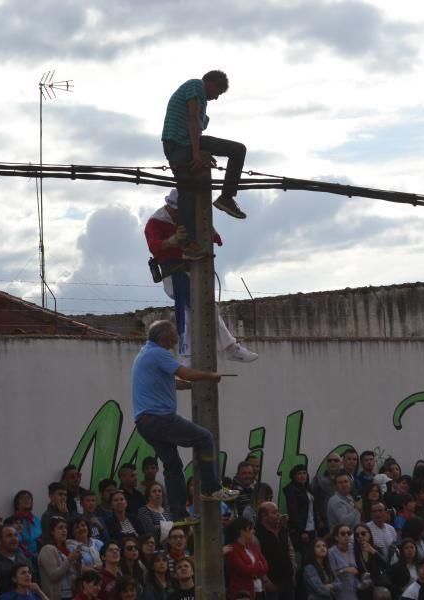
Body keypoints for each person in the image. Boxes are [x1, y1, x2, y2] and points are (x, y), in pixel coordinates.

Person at [130, 320, 239, 522]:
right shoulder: (159, 353)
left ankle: (180, 515)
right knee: (205, 438)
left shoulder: (146, 353)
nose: (176, 338)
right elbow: (185, 373)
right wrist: (209, 375)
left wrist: (192, 386)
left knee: (172, 466)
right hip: (159, 418)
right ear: (163, 337)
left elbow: (174, 382)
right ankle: (211, 488)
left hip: (145, 423)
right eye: (173, 334)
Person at [143, 192, 258, 362]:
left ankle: (191, 355)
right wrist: (172, 240)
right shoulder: (156, 222)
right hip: (174, 273)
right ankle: (226, 348)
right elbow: (154, 247)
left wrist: (212, 236)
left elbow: (209, 232)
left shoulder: (189, 216)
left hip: (193, 271)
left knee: (198, 310)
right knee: (199, 308)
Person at [161, 70, 248, 251]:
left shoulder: (202, 104)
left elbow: (197, 129)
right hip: (178, 145)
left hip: (182, 145)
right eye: (218, 92)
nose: (216, 98)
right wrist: (196, 154)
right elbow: (192, 119)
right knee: (188, 190)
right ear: (212, 82)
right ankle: (225, 199)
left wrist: (202, 153)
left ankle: (190, 242)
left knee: (188, 191)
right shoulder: (196, 86)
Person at [254, 502, 295, 600]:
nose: (278, 515)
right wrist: (266, 581)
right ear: (264, 516)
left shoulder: (283, 530)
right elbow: (256, 560)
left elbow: (290, 551)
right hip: (272, 583)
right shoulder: (257, 534)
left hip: (288, 579)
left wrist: (293, 571)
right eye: (274, 512)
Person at [224, 517, 268, 600]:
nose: (253, 531)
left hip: (259, 590)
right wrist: (258, 566)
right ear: (242, 531)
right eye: (250, 529)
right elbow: (244, 570)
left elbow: (265, 566)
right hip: (242, 594)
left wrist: (254, 570)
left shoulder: (253, 546)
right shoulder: (232, 549)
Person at [0, 526, 32, 595]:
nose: (14, 539)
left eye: (16, 535)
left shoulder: (23, 558)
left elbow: (34, 582)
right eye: (9, 536)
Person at [37, 517, 79, 600]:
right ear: (52, 531)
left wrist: (78, 561)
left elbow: (74, 575)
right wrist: (70, 559)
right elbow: (54, 576)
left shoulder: (67, 550)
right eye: (60, 528)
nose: (64, 530)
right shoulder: (47, 549)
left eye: (65, 528)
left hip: (71, 595)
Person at [282, 465, 315, 556]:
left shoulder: (307, 488)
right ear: (294, 476)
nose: (302, 476)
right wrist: (301, 531)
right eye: (299, 473)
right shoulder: (292, 491)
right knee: (305, 555)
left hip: (312, 526)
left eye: (304, 473)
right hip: (302, 529)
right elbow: (293, 512)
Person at [312, 454, 343, 536]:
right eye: (329, 460)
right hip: (324, 525)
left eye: (336, 460)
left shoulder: (347, 479)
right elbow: (312, 501)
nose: (332, 462)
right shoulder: (318, 479)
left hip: (344, 523)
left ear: (341, 463)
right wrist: (318, 520)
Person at [326, 525, 357, 600]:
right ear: (336, 537)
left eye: (349, 533)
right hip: (341, 590)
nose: (346, 535)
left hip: (355, 588)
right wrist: (345, 570)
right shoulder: (331, 552)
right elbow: (332, 574)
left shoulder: (352, 548)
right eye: (343, 533)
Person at [10, 491, 42, 562]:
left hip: (38, 558)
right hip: (20, 558)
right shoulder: (13, 521)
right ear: (17, 504)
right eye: (23, 498)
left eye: (28, 498)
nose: (26, 500)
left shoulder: (37, 520)